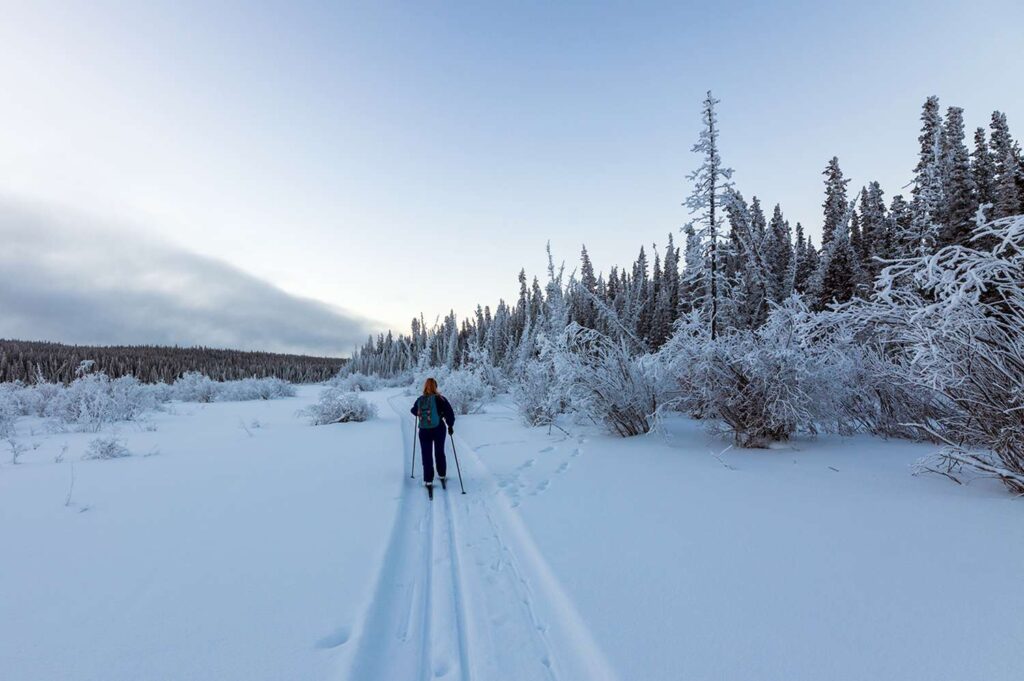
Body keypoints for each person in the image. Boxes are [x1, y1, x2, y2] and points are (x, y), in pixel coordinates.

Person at [411, 377, 455, 493]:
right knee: (439, 451)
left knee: (426, 454)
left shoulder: (420, 399)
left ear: (425, 386)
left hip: (424, 430)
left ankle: (428, 480)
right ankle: (441, 474)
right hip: (439, 428)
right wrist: (450, 425)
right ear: (436, 386)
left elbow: (413, 411)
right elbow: (449, 414)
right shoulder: (441, 399)